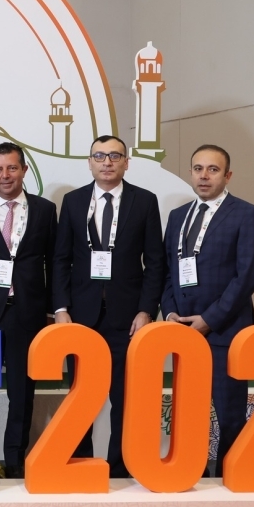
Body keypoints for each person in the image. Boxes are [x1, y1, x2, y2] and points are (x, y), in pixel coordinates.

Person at [52, 135, 164, 478]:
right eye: (99, 156)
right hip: (80, 317)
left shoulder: (145, 201)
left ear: (126, 162)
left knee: (124, 398)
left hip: (127, 318)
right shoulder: (73, 201)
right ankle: (81, 465)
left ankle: (118, 469)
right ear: (89, 162)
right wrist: (61, 308)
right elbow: (60, 260)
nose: (107, 162)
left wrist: (146, 310)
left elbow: (155, 262)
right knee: (80, 396)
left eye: (115, 156)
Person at [160, 144, 254, 477]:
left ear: (227, 175)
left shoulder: (247, 214)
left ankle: (227, 478)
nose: (204, 176)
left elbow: (248, 276)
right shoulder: (178, 216)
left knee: (228, 414)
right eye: (198, 169)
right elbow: (168, 271)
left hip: (224, 332)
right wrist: (170, 313)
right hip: (184, 332)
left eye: (213, 169)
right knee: (189, 412)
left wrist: (209, 320)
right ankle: (191, 475)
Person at [0, 142, 57, 480]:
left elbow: (54, 264)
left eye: (12, 168)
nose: (5, 175)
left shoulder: (45, 211)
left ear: (24, 170)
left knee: (21, 393)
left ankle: (15, 461)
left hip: (26, 315)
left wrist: (52, 310)